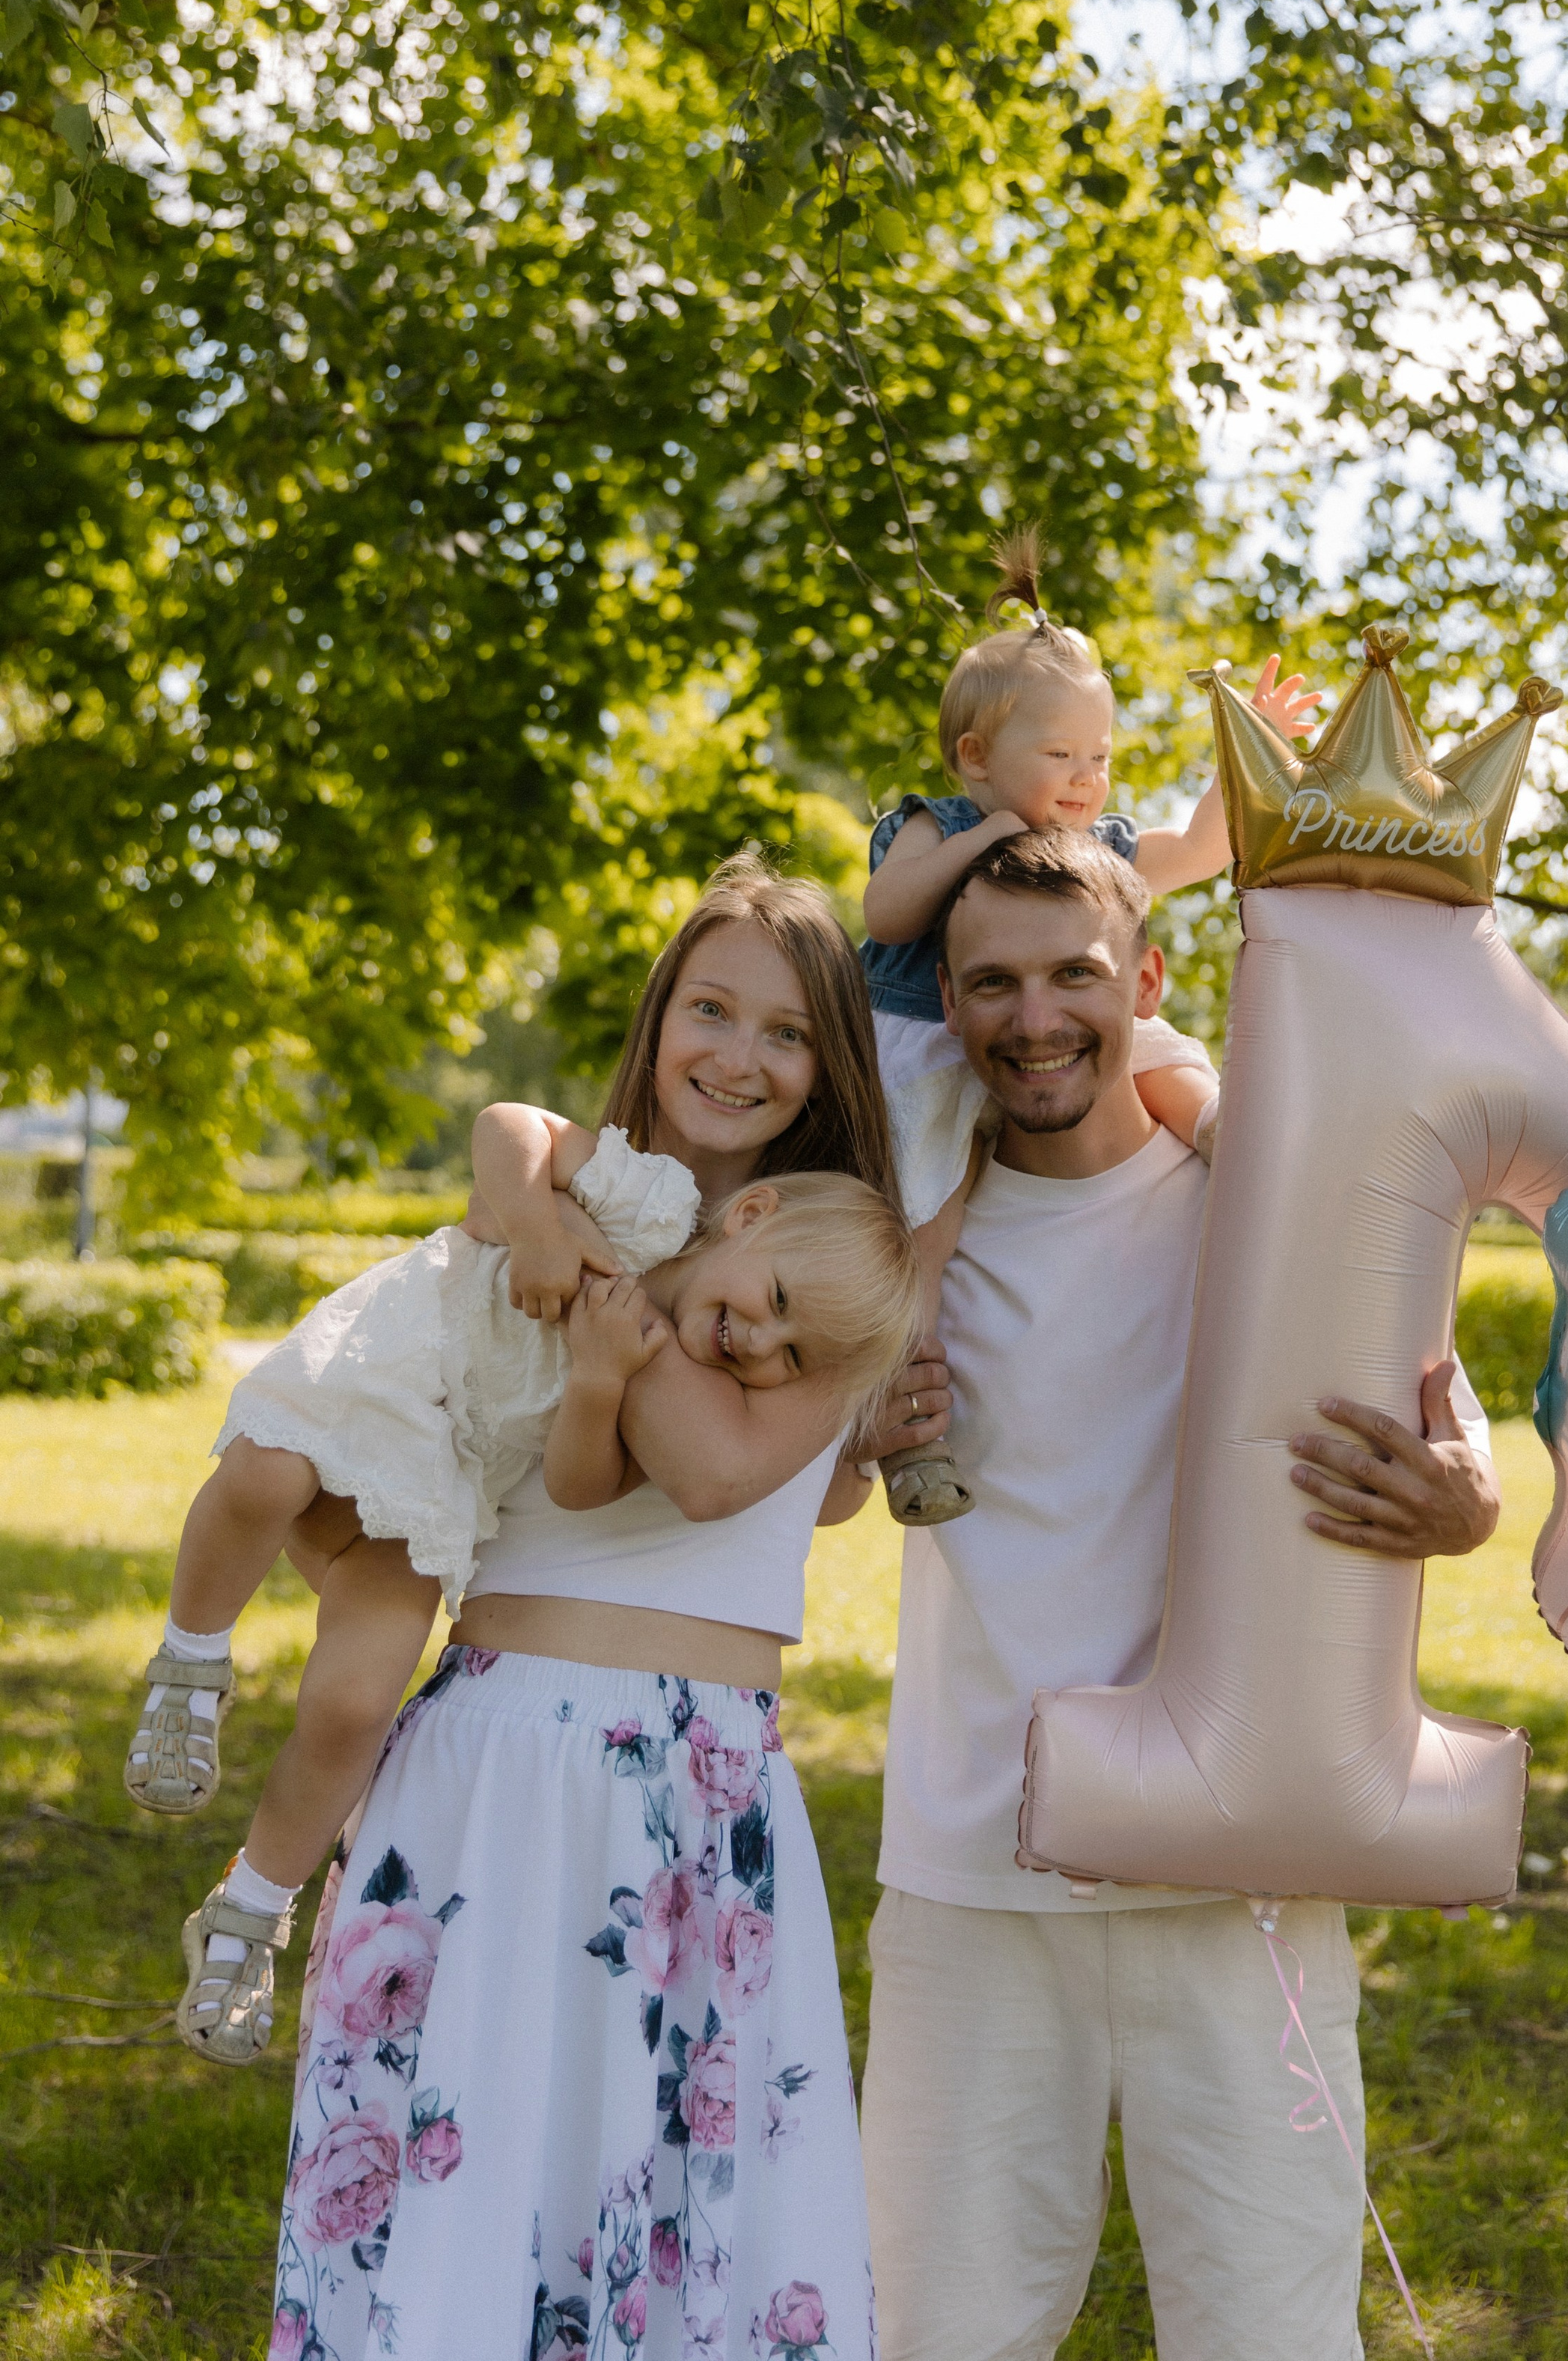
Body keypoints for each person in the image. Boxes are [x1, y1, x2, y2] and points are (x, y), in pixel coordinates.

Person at [857, 827, 1501, 2361]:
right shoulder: (899, 1258)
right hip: (968, 1875)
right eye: (991, 985)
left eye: (1072, 974)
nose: (1034, 1019)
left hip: (1240, 1882)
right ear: (944, 1008)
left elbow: (1445, 1436)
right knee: (934, 2333)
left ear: (1142, 981)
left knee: (1270, 2334)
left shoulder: (1267, 1201)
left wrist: (1461, 1499)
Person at [267, 852, 904, 2361]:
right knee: (462, 2158)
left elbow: (732, 1482)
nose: (738, 1058)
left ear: (828, 1068)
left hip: (695, 1770)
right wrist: (525, 1184)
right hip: (493, 1751)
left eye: (788, 1033)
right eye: (709, 1009)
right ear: (658, 1012)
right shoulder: (566, 1190)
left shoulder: (831, 1267)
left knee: (666, 2181)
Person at [860, 529, 1321, 1520]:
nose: (1086, 777)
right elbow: (888, 917)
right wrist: (987, 837)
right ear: (975, 759)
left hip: (1050, 1043)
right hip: (930, 1056)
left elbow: (1201, 849)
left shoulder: (1097, 847)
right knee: (925, 1236)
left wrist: (1259, 748)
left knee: (1153, 1050)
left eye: (1101, 756)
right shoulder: (938, 826)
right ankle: (915, 1434)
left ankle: (1223, 1137)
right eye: (1061, 753)